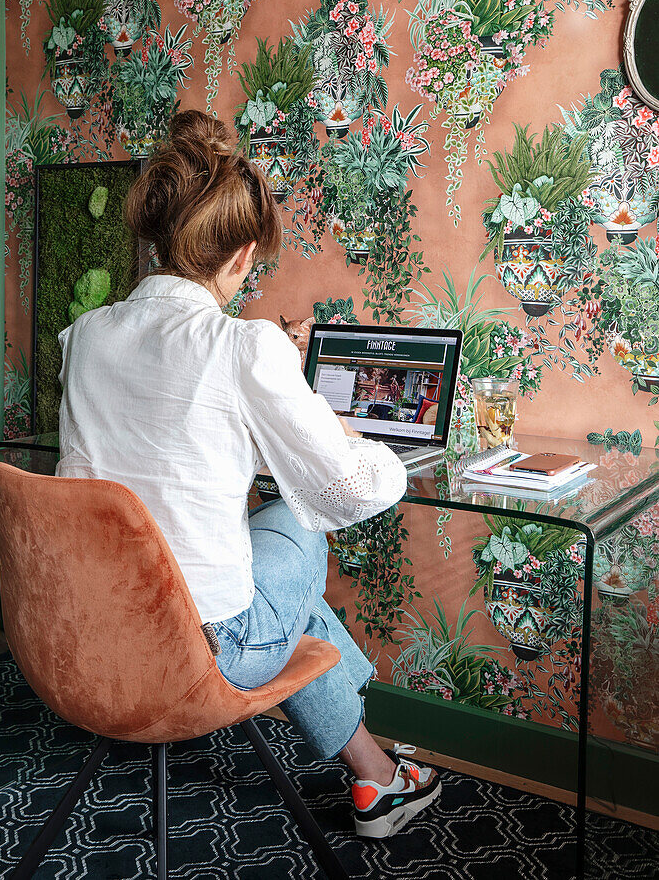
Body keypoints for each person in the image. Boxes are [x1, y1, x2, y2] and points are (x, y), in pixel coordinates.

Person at [56, 110, 441, 839]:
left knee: (274, 543)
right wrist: (358, 437)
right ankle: (376, 772)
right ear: (240, 255)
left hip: (92, 628)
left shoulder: (86, 336)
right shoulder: (240, 343)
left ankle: (377, 776)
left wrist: (278, 399)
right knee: (301, 515)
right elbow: (347, 492)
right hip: (211, 647)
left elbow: (168, 441)